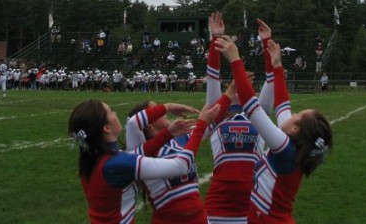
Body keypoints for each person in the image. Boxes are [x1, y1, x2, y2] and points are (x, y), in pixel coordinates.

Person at [215, 31, 333, 224]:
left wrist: (235, 60)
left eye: (298, 115)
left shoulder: (285, 150)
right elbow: (283, 106)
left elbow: (252, 107)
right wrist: (277, 66)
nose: (292, 113)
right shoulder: (291, 146)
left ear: (296, 130)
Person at [68, 98, 220, 224]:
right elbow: (180, 166)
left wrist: (168, 129)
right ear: (106, 128)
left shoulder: (97, 159)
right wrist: (201, 125)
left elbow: (140, 144)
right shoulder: (117, 163)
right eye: (110, 112)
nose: (115, 113)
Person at [204, 12, 273, 224]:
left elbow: (271, 81)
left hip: (254, 204)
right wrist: (215, 38)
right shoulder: (218, 113)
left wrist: (266, 42)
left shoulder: (257, 115)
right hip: (218, 208)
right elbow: (212, 76)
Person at [126, 93, 236, 224]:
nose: (164, 111)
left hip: (199, 218)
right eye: (157, 110)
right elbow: (133, 124)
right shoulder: (141, 153)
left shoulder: (182, 136)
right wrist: (170, 106)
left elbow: (213, 117)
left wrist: (231, 90)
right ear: (148, 123)